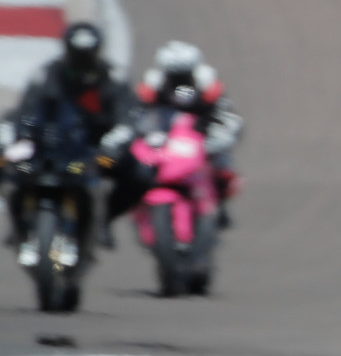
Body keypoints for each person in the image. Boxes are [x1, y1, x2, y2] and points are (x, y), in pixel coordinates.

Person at [1, 21, 136, 249]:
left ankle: (104, 220)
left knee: (139, 173)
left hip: (98, 153)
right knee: (5, 162)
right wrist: (16, 135)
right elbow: (25, 111)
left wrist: (114, 142)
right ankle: (18, 223)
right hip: (50, 148)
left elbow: (128, 117)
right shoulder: (47, 73)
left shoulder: (113, 77)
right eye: (77, 54)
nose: (82, 60)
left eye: (87, 54)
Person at [127, 40, 244, 228]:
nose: (179, 81)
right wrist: (140, 137)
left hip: (201, 137)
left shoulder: (208, 84)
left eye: (183, 75)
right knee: (131, 169)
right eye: (174, 76)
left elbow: (227, 117)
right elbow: (135, 115)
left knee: (223, 170)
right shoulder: (152, 85)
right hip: (163, 137)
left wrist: (218, 137)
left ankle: (219, 206)